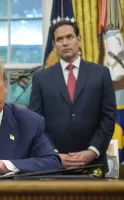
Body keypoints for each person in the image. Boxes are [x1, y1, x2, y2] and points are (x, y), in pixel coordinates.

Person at [29, 20, 116, 173]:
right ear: (54, 45)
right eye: (59, 39)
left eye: (69, 37)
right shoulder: (40, 78)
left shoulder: (101, 73)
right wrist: (54, 154)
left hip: (93, 164)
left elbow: (108, 116)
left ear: (79, 39)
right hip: (53, 165)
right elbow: (36, 122)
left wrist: (92, 151)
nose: (65, 43)